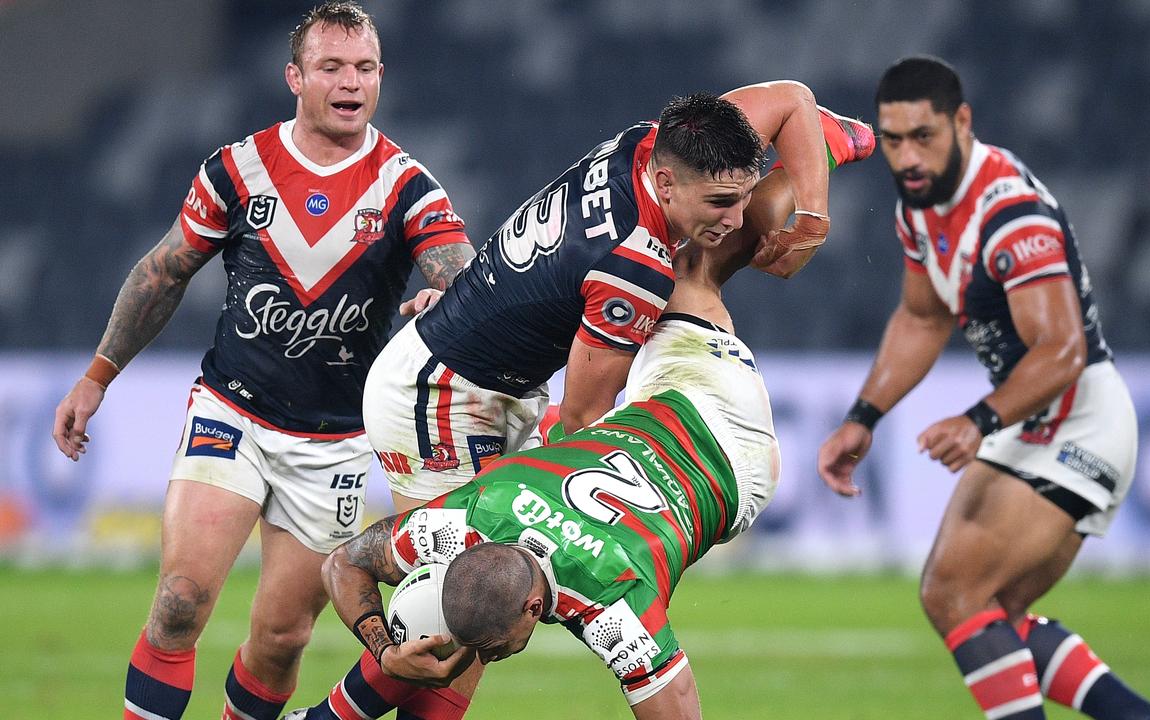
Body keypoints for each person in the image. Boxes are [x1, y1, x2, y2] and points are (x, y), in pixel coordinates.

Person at [49, 4, 475, 719]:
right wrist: (98, 376)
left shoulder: (407, 186)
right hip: (232, 411)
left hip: (334, 440)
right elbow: (164, 272)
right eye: (332, 67)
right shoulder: (239, 169)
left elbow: (461, 274)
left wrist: (450, 302)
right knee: (180, 602)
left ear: (380, 77)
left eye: (365, 68)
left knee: (282, 638)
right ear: (295, 77)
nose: (351, 82)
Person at [283, 165, 819, 720]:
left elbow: (342, 563)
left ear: (535, 608)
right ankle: (813, 154)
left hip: (731, 460)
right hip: (684, 412)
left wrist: (382, 644)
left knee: (687, 269)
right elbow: (342, 564)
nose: (489, 658)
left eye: (494, 650)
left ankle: (803, 137)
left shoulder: (613, 604)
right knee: (692, 270)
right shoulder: (479, 506)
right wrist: (387, 650)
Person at [816, 56, 1150, 720]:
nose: (907, 157)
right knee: (977, 606)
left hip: (1080, 420)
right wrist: (864, 415)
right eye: (894, 138)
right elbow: (921, 316)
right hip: (1036, 421)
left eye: (923, 136)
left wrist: (978, 421)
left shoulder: (1010, 213)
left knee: (956, 591)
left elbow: (1063, 349)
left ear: (962, 122)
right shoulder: (922, 206)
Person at [363, 80, 877, 518]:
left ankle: (817, 150)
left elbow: (790, 98)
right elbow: (584, 421)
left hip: (488, 366)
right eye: (721, 202)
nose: (738, 218)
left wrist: (812, 221)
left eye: (745, 197)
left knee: (486, 611)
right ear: (667, 183)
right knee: (451, 606)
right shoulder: (632, 271)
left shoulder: (660, 142)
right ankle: (821, 148)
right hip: (439, 399)